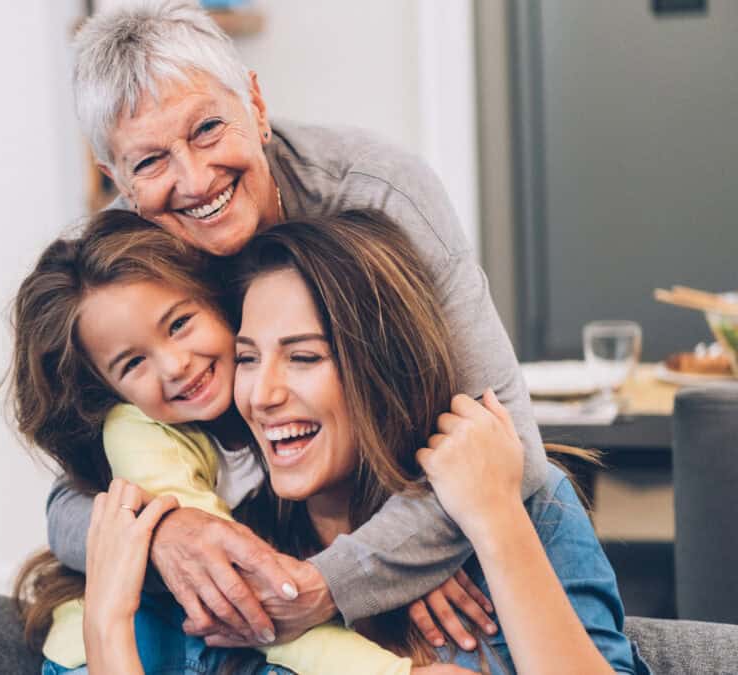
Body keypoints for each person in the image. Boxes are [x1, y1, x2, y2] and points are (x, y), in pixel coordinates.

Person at [46, 0, 543, 651]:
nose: (194, 180)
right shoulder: (119, 266)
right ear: (118, 182)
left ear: (255, 104)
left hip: (409, 542)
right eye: (149, 162)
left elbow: (511, 449)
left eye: (206, 129)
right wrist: (164, 532)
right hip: (260, 564)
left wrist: (337, 577)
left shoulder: (379, 194)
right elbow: (68, 503)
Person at [76, 215, 642, 674]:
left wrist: (494, 522)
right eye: (247, 358)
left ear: (384, 370)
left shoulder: (528, 508)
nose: (262, 395)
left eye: (304, 357)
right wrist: (106, 627)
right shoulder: (248, 555)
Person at [10, 210, 437, 674]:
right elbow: (238, 590)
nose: (174, 366)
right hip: (123, 652)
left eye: (178, 325)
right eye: (133, 364)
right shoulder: (140, 435)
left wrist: (412, 564)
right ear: (109, 391)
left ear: (216, 301)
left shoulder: (268, 402)